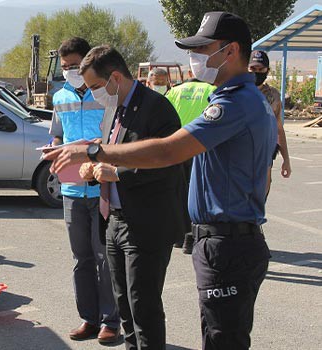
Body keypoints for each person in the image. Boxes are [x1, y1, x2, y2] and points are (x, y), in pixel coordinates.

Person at [46, 12, 277, 350]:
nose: (194, 59)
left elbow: (170, 152)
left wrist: (96, 153)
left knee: (219, 337)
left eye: (202, 50)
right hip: (221, 240)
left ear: (231, 51)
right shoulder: (235, 99)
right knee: (213, 333)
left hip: (226, 242)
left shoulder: (236, 103)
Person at [74, 45, 188, 350]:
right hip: (115, 220)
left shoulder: (157, 108)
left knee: (144, 306)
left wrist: (117, 174)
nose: (95, 93)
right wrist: (94, 168)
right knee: (124, 303)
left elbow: (169, 163)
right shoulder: (114, 108)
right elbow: (110, 153)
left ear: (115, 77)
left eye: (96, 87)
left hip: (147, 224)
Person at [49, 37, 120, 344]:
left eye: (75, 66)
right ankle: (88, 318)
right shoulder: (59, 97)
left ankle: (110, 321)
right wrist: (53, 153)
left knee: (105, 257)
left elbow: (117, 139)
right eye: (65, 68)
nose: (70, 72)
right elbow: (57, 136)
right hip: (72, 191)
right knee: (82, 259)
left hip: (102, 189)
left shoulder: (105, 95)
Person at [166, 76, 216, 254]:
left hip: (176, 146)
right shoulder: (210, 90)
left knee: (177, 193)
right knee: (196, 193)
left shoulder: (175, 91)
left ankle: (178, 237)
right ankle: (191, 238)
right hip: (199, 147)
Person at [249, 50, 292, 193]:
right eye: (253, 69)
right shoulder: (237, 91)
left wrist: (286, 159)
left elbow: (279, 128)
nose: (257, 72)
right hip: (241, 156)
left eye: (261, 69)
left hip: (265, 155)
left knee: (260, 200)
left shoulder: (273, 96)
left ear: (268, 70)